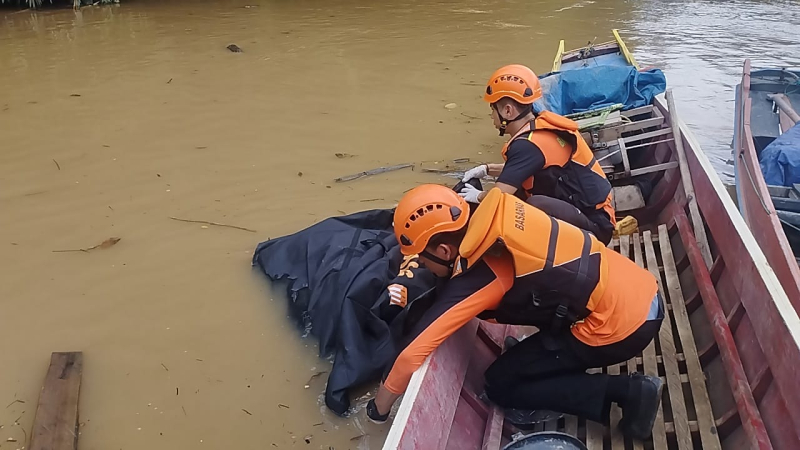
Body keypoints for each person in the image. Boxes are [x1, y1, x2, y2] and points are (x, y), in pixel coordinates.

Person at [365, 184, 664, 440]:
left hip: (623, 327)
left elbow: (413, 352)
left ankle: (627, 391)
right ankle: (553, 358)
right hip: (639, 288)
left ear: (444, 250)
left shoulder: (486, 271)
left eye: (421, 258)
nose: (421, 267)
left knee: (501, 384)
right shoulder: (502, 213)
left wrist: (377, 411)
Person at [458, 64, 616, 245]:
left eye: (492, 111)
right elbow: (521, 170)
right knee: (517, 193)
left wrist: (477, 196)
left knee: (526, 204)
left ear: (507, 111)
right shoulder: (537, 129)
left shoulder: (527, 146)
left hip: (596, 227)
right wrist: (486, 169)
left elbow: (498, 196)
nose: (492, 117)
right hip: (590, 213)